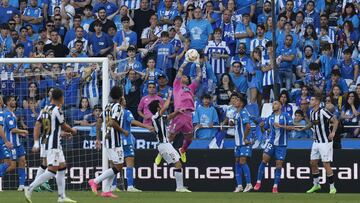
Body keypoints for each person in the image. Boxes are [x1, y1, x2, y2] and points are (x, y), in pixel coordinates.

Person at [25, 88, 77, 203]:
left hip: (52, 143)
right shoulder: (57, 110)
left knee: (62, 167)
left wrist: (36, 142)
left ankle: (61, 197)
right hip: (53, 145)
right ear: (60, 99)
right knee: (52, 171)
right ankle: (30, 188)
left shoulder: (44, 109)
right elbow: (63, 125)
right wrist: (72, 131)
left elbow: (39, 125)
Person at [88, 86, 128, 198]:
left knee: (115, 166)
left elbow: (99, 121)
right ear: (121, 96)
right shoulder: (118, 107)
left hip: (109, 140)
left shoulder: (107, 107)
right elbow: (112, 122)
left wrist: (97, 138)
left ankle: (106, 190)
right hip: (114, 140)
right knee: (118, 167)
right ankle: (95, 181)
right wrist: (123, 131)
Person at [148, 90, 191, 192]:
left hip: (165, 144)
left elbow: (169, 116)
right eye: (160, 105)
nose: (162, 105)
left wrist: (177, 112)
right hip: (164, 144)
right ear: (158, 108)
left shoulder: (160, 117)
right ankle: (179, 188)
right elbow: (166, 107)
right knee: (178, 163)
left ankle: (180, 187)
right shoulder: (155, 117)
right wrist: (170, 96)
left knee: (177, 163)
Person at [297, 94, 339, 194]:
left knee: (325, 164)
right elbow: (312, 124)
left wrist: (333, 132)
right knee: (313, 163)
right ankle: (316, 185)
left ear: (317, 102)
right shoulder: (312, 112)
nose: (310, 101)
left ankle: (332, 187)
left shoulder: (323, 111)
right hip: (316, 142)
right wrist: (303, 128)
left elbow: (335, 121)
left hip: (325, 142)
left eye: (311, 99)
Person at [112, 95, 154, 192]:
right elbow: (133, 121)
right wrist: (146, 126)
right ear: (121, 102)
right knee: (129, 163)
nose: (126, 101)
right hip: (126, 140)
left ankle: (113, 186)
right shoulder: (126, 112)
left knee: (116, 164)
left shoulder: (113, 112)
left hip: (116, 141)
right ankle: (130, 186)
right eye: (124, 99)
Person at [254, 100, 294, 193]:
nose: (273, 105)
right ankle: (258, 182)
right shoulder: (270, 117)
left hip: (281, 145)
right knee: (264, 160)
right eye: (273, 104)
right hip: (271, 143)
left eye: (275, 104)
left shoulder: (286, 116)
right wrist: (261, 127)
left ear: (280, 106)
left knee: (279, 165)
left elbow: (292, 127)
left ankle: (275, 187)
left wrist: (280, 126)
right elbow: (265, 130)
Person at [2, 95, 29, 191]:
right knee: (12, 165)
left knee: (22, 161)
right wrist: (23, 131)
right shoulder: (7, 114)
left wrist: (20, 134)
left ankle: (21, 185)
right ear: (8, 103)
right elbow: (12, 130)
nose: (14, 102)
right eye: (12, 100)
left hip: (18, 143)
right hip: (11, 143)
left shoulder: (13, 113)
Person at [232, 93, 253, 193]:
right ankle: (239, 185)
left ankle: (249, 184)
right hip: (237, 142)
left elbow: (248, 126)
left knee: (242, 161)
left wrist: (245, 138)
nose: (234, 101)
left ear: (241, 103)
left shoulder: (244, 112)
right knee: (237, 162)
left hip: (244, 142)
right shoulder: (236, 113)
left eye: (236, 100)